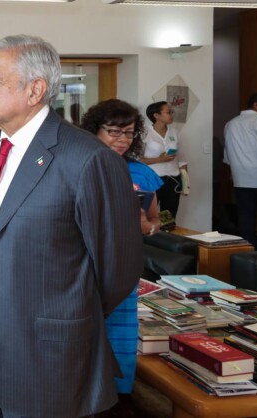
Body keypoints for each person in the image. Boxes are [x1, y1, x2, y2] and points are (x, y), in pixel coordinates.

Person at [0, 35, 143, 417]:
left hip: (46, 349)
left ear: (35, 90)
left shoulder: (88, 159)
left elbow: (118, 269)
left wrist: (62, 315)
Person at [81, 98, 163, 397]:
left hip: (124, 269)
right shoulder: (80, 165)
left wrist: (147, 226)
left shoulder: (140, 173)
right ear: (95, 131)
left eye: (128, 133)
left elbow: (156, 221)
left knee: (120, 338)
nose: (122, 140)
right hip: (85, 268)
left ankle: (118, 398)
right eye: (114, 132)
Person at [224, 92, 257, 250]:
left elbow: (227, 153)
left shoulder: (230, 123)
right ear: (256, 105)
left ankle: (248, 248)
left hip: (240, 177)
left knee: (246, 214)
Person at [141, 101, 188, 219]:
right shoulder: (144, 133)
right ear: (156, 115)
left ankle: (167, 235)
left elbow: (182, 159)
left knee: (169, 217)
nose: (172, 115)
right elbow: (137, 160)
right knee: (147, 216)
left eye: (172, 112)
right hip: (152, 180)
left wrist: (185, 182)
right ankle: (148, 237)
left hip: (173, 180)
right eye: (168, 112)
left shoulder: (175, 132)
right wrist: (159, 159)